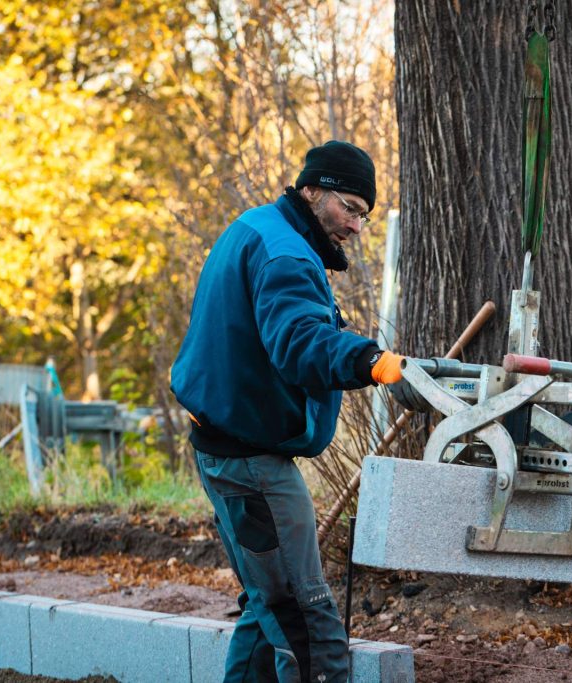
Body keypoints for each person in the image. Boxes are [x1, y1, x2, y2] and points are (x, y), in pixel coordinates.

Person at [171, 140, 404, 683]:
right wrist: (370, 359)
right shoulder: (286, 255)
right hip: (251, 464)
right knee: (305, 617)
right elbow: (300, 343)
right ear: (312, 189)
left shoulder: (256, 228)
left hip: (227, 450)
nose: (356, 226)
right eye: (349, 207)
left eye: (364, 215)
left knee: (266, 606)